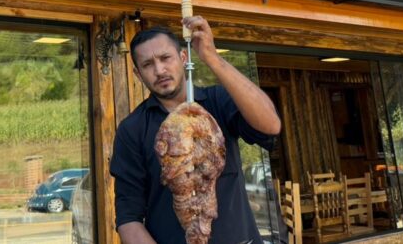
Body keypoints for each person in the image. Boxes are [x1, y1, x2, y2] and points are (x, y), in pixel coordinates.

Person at [110, 18, 282, 244]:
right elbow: (128, 217)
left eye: (165, 58)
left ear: (183, 57)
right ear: (137, 73)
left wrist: (212, 57)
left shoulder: (217, 101)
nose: (159, 70)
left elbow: (271, 125)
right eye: (148, 64)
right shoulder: (132, 129)